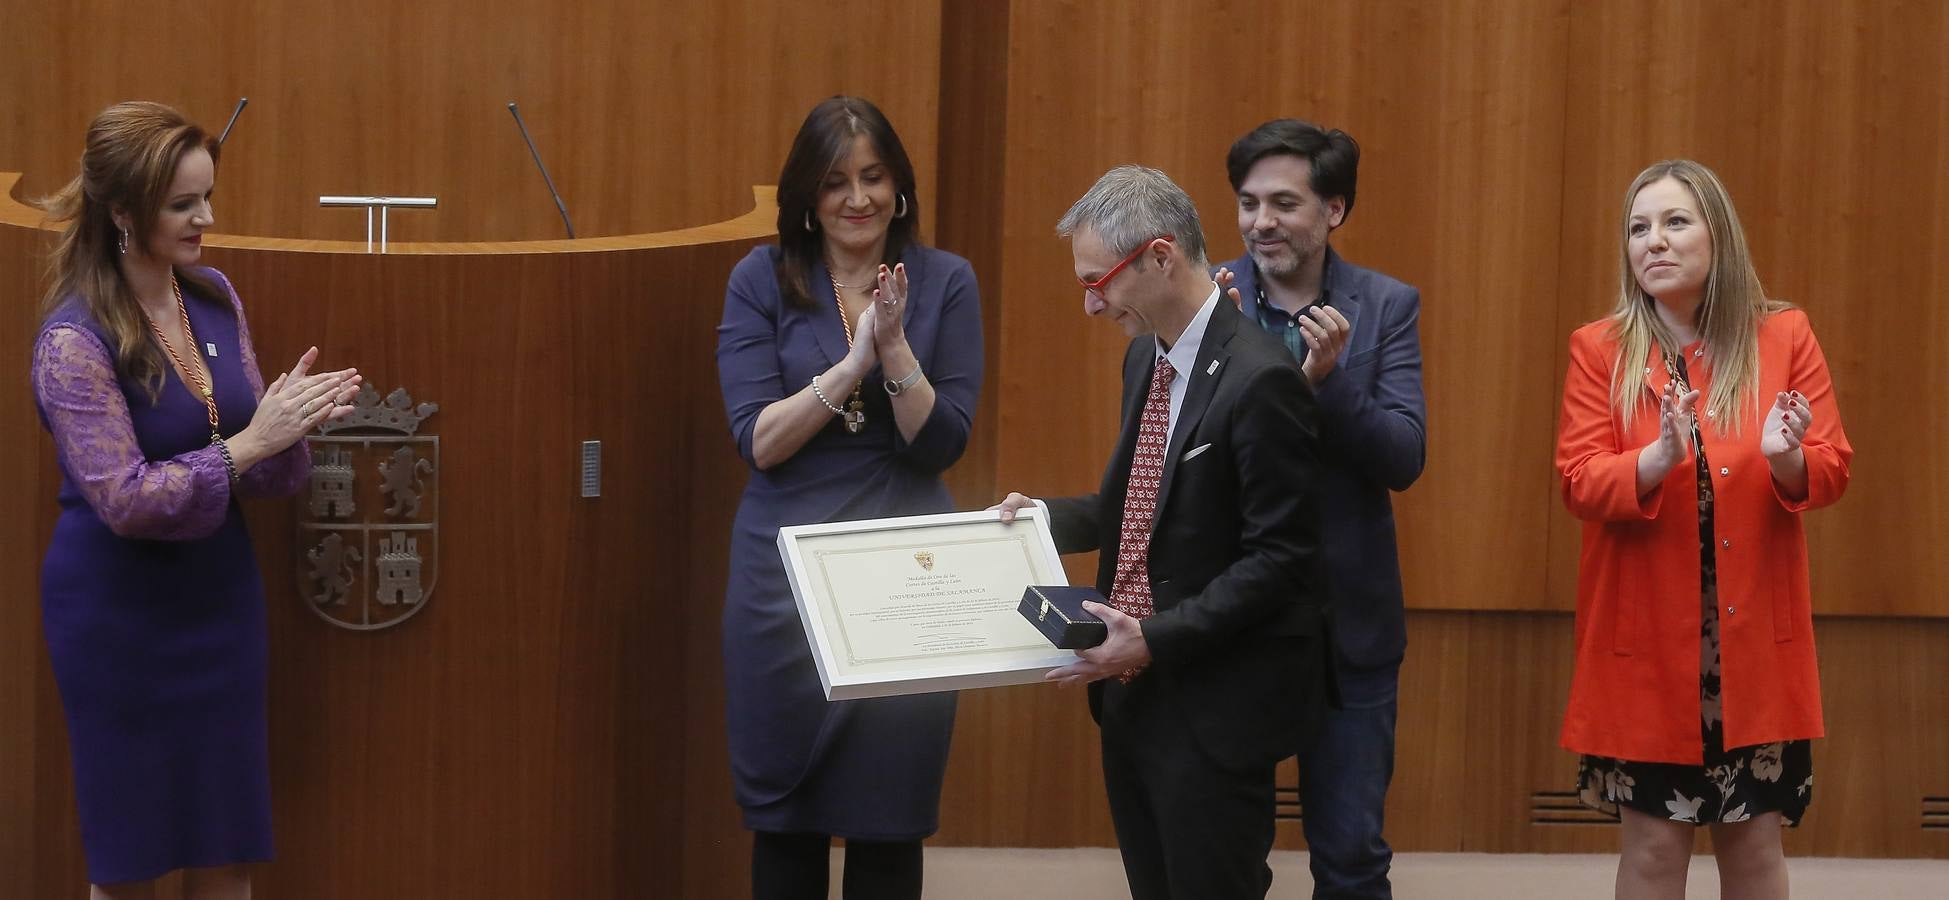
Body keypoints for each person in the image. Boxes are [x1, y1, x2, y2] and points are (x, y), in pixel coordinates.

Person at [31, 101, 360, 899]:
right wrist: (249, 444)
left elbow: (263, 472)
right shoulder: (73, 342)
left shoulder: (210, 296)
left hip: (220, 601)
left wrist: (289, 428)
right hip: (120, 619)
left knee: (226, 846)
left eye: (207, 196)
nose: (206, 218)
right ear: (122, 212)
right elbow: (127, 500)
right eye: (182, 204)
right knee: (132, 855)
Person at [995, 165, 1328, 899]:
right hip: (1130, 696)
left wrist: (1152, 638)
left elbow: (1281, 562)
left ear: (1159, 256)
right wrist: (1038, 518)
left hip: (1213, 704)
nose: (1090, 305)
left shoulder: (1260, 378)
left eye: (1098, 281)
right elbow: (1137, 508)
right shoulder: (1144, 357)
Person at [1554, 159, 1851, 900]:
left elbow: (1831, 465)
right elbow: (1578, 480)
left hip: (1753, 647)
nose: (1652, 241)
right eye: (1637, 228)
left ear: (1717, 235)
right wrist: (1651, 459)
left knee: (1752, 846)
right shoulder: (1599, 348)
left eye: (1674, 222)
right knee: (1653, 851)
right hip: (1646, 648)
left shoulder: (1782, 334)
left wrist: (1786, 459)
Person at [714, 95, 983, 900]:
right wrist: (848, 367)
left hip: (904, 571)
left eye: (872, 177)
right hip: (783, 577)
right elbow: (758, 441)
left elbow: (942, 444)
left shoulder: (944, 280)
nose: (856, 198)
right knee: (784, 816)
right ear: (806, 194)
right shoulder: (760, 278)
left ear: (899, 185)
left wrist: (894, 346)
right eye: (835, 181)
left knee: (887, 815)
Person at [1212, 118, 1426, 900]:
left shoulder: (1385, 306)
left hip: (1349, 628)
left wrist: (1330, 383)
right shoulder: (1209, 300)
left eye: (1282, 203)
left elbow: (1402, 456)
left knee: (1351, 857)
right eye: (1246, 202)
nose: (1259, 221)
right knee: (1227, 858)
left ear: (1333, 210)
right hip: (1230, 618)